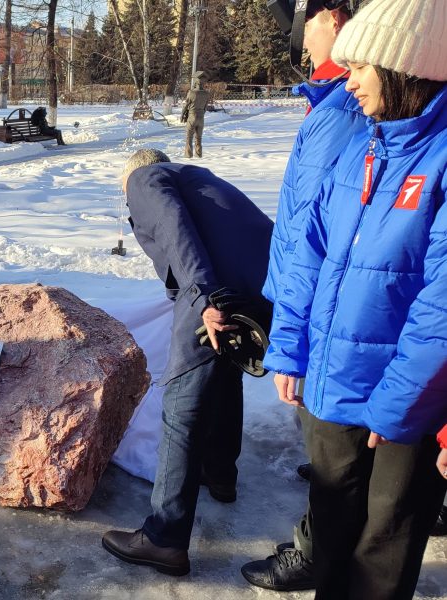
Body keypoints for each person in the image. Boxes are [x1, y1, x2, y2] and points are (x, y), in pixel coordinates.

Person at [263, 0, 447, 597]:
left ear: (405, 69)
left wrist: (398, 406)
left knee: (380, 555)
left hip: (407, 409)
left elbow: (442, 308)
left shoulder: (440, 158)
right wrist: (290, 344)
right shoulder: (365, 144)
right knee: (334, 540)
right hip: (331, 384)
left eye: (362, 65)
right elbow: (307, 249)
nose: (352, 80)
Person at [241, 0, 366, 591]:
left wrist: (293, 326)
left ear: (335, 19)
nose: (297, 34)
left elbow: (323, 233)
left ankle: (317, 552)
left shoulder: (351, 107)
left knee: (332, 448)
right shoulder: (336, 100)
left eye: (303, 20)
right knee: (329, 446)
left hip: (325, 305)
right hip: (308, 296)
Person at [101, 149, 273, 576]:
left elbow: (174, 228)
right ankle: (220, 475)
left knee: (182, 406)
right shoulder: (200, 179)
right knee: (224, 373)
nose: (128, 207)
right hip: (262, 287)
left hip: (218, 292)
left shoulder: (145, 178)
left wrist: (206, 297)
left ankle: (163, 538)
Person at [181, 72, 210, 158]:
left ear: (196, 82)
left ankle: (188, 155)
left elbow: (186, 105)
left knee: (189, 137)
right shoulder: (206, 94)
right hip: (201, 117)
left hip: (192, 115)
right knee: (198, 138)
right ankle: (198, 154)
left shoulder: (191, 93)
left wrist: (182, 114)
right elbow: (205, 107)